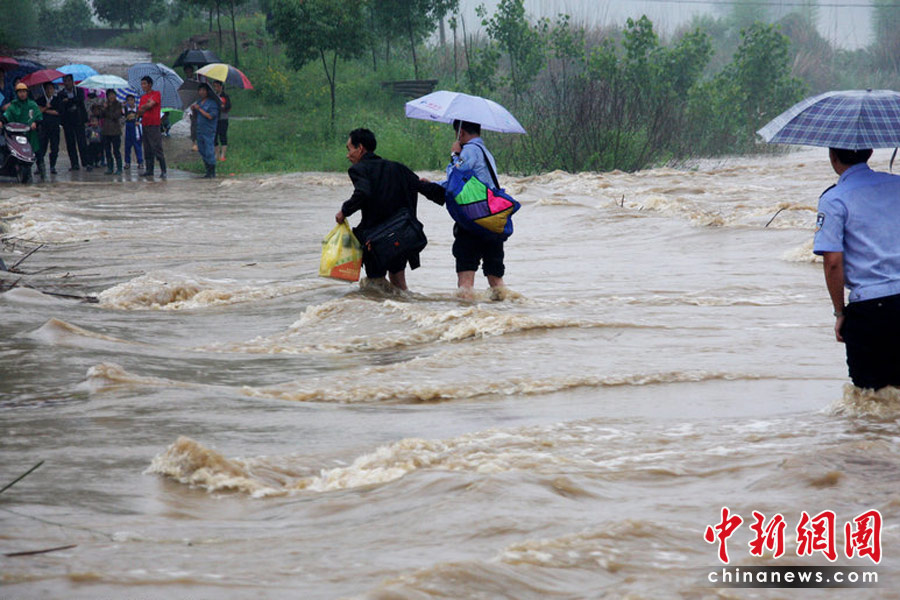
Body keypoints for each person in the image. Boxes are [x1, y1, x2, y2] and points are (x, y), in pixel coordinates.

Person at [813, 147, 900, 390]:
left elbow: (833, 262)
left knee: (871, 396)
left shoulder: (833, 199)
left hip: (870, 309)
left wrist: (839, 313)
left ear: (832, 156)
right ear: (870, 152)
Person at [335, 128, 444, 290]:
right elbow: (425, 188)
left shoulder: (358, 169)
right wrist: (451, 193)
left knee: (375, 287)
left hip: (376, 241)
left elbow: (363, 192)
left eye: (349, 149)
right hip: (402, 236)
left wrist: (344, 211)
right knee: (399, 285)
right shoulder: (397, 167)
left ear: (360, 148)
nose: (347, 155)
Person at [438, 120, 507, 295]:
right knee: (496, 280)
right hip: (491, 220)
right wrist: (435, 183)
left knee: (466, 281)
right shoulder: (485, 152)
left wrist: (454, 154)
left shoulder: (469, 150)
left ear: (460, 133)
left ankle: (466, 311)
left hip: (472, 221)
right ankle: (504, 309)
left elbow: (455, 177)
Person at [2, 82, 42, 177]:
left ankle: (42, 171)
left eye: (24, 92)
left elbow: (38, 116)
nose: (22, 94)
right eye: (20, 92)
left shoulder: (32, 104)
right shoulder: (13, 105)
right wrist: (1, 121)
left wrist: (35, 123)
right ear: (17, 93)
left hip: (30, 134)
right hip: (16, 135)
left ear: (27, 93)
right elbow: (6, 116)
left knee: (38, 153)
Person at [56, 74, 89, 171]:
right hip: (67, 121)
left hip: (79, 120)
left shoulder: (79, 91)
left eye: (69, 81)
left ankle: (86, 162)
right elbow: (61, 106)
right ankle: (74, 164)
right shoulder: (61, 94)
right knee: (70, 144)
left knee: (82, 142)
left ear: (72, 81)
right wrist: (71, 102)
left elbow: (80, 100)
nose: (67, 83)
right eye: (65, 81)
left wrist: (69, 101)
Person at [136, 75, 166, 179]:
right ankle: (149, 170)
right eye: (142, 84)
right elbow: (140, 111)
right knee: (147, 148)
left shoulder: (156, 94)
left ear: (150, 84)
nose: (143, 86)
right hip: (145, 124)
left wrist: (146, 106)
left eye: (144, 84)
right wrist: (146, 106)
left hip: (154, 124)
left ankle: (163, 170)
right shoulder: (143, 97)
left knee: (157, 147)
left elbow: (149, 106)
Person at [191, 82, 219, 178]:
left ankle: (212, 171)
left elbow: (210, 116)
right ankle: (207, 170)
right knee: (202, 150)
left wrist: (199, 109)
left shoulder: (212, 103)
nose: (201, 92)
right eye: (200, 90)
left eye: (204, 90)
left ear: (207, 91)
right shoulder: (198, 102)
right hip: (200, 130)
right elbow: (195, 117)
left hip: (209, 130)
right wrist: (194, 110)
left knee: (209, 150)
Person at [36, 81, 62, 176]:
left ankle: (52, 166)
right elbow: (37, 112)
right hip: (43, 127)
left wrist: (45, 110)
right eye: (47, 89)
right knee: (41, 148)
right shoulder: (40, 100)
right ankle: (40, 166)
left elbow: (58, 112)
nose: (49, 91)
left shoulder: (57, 100)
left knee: (54, 147)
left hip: (54, 127)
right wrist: (46, 108)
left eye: (51, 88)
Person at [100, 88, 123, 174]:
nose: (111, 97)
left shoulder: (118, 105)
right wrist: (103, 108)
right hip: (106, 131)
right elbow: (101, 116)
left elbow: (115, 116)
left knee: (116, 150)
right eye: (109, 95)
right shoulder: (105, 104)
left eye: (113, 95)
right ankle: (110, 167)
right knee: (107, 151)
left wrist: (107, 109)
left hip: (115, 131)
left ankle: (119, 168)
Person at [122, 94, 143, 170]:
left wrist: (139, 122)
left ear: (134, 101)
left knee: (138, 146)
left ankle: (140, 162)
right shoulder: (125, 109)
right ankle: (127, 162)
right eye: (128, 100)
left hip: (136, 128)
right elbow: (122, 119)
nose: (130, 102)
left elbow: (142, 118)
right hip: (128, 128)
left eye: (131, 100)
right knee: (127, 146)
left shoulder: (138, 109)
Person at [212, 80, 230, 162]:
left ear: (221, 87)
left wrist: (223, 106)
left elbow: (228, 106)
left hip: (223, 118)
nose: (216, 88)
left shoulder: (225, 96)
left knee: (223, 136)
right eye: (214, 86)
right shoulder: (213, 96)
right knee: (214, 137)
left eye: (217, 86)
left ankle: (223, 155)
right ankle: (217, 154)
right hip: (215, 119)